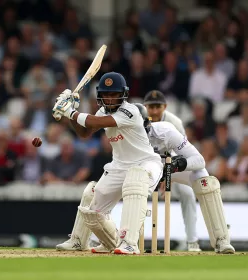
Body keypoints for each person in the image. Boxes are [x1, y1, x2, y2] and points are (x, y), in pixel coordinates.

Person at [52, 72, 163, 255]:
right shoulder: (102, 111)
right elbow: (84, 133)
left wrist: (70, 111)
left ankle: (129, 243)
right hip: (119, 166)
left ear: (123, 94)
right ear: (100, 95)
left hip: (146, 164)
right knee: (93, 210)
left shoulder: (130, 111)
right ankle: (84, 241)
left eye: (114, 94)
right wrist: (70, 113)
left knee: (134, 183)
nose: (110, 99)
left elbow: (96, 121)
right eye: (106, 94)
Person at [136, 103, 235, 254]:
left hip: (168, 167)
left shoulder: (165, 130)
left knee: (204, 179)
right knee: (120, 183)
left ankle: (221, 239)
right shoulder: (121, 136)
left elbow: (199, 160)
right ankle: (120, 240)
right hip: (141, 170)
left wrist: (179, 165)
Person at [143, 90, 201, 251]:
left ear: (165, 107)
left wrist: (167, 176)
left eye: (157, 107)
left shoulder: (174, 122)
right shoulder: (140, 119)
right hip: (147, 164)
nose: (154, 111)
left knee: (187, 193)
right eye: (150, 107)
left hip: (171, 164)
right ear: (145, 106)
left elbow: (181, 152)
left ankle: (192, 241)